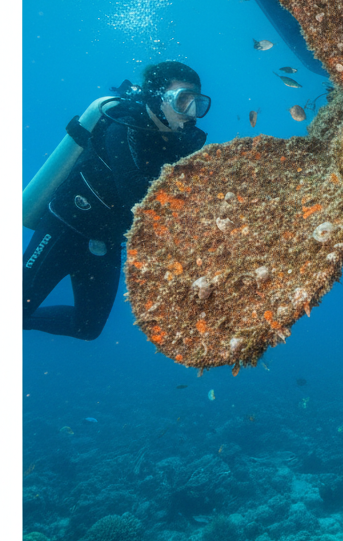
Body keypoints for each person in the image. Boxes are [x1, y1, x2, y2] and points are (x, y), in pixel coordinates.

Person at [23, 62, 210, 339]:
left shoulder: (182, 142)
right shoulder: (122, 125)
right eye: (182, 99)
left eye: (197, 101)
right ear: (158, 98)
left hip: (106, 241)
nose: (192, 111)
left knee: (87, 329)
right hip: (64, 228)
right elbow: (133, 191)